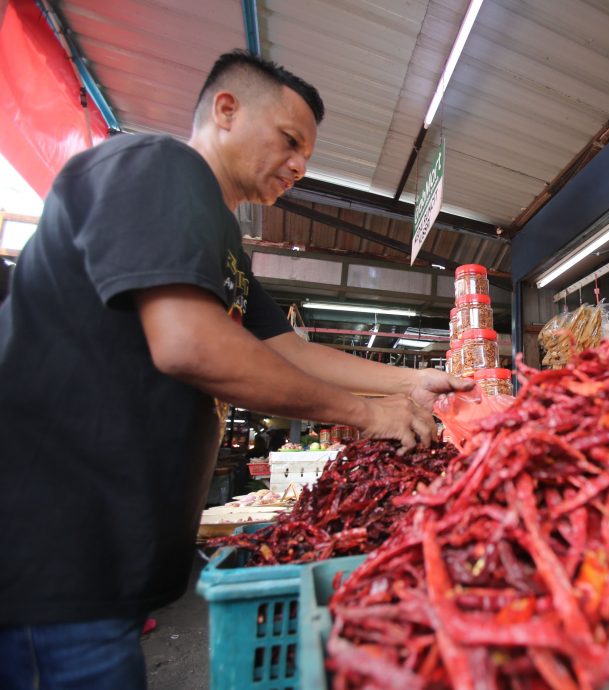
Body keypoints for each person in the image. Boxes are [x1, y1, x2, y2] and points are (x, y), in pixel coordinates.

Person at [0, 50, 471, 689]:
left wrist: (409, 383)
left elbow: (288, 349)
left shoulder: (220, 242)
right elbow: (189, 344)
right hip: (49, 554)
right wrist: (367, 413)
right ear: (226, 110)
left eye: (306, 152)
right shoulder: (159, 167)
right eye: (289, 140)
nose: (301, 165)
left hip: (96, 565)